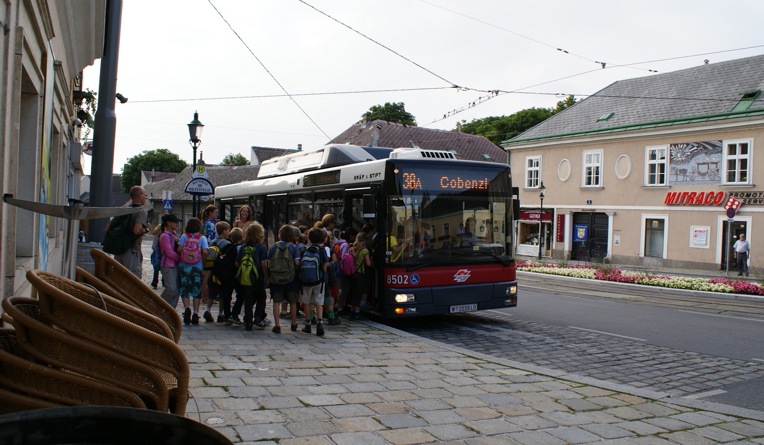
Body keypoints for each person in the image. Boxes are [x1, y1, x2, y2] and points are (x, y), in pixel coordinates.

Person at [233, 222, 268, 331]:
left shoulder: (243, 246)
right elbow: (263, 264)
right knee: (262, 297)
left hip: (246, 278)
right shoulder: (261, 248)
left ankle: (248, 322)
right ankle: (257, 318)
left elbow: (237, 263)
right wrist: (266, 276)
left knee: (248, 300)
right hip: (258, 277)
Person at [267, 224, 301, 334]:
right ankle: (294, 323)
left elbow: (268, 262)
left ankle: (277, 325)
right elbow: (297, 262)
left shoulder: (273, 247)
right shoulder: (293, 247)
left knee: (277, 302)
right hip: (290, 278)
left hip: (276, 278)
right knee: (293, 301)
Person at [113, 186, 151, 278]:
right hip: (132, 250)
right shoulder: (141, 212)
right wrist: (146, 229)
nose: (146, 197)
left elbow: (108, 227)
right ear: (139, 195)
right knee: (133, 281)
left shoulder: (123, 210)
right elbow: (137, 230)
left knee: (119, 279)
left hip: (118, 250)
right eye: (145, 195)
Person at [176, 217, 209, 325]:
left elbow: (179, 249)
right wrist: (202, 262)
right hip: (197, 267)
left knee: (185, 288)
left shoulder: (185, 236)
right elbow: (204, 251)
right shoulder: (202, 238)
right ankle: (195, 312)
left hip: (184, 266)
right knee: (196, 289)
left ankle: (186, 309)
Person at [299, 227, 329, 336]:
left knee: (306, 302)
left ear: (309, 238)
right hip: (319, 280)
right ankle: (320, 322)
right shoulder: (321, 250)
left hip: (305, 281)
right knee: (319, 302)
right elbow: (325, 265)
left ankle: (308, 324)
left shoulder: (304, 251)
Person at [204, 221, 231, 322]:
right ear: (224, 231)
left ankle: (208, 310)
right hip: (222, 273)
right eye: (228, 230)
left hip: (213, 271)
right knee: (222, 295)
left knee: (212, 292)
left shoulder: (212, 242)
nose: (229, 232)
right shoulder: (227, 243)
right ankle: (221, 314)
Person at [157, 214, 181, 308]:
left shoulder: (175, 235)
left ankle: (171, 311)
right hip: (167, 265)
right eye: (175, 222)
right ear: (169, 223)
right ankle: (158, 305)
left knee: (176, 291)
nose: (177, 224)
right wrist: (180, 258)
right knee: (171, 289)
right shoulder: (164, 236)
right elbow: (169, 252)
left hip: (175, 265)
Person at [348, 233, 372, 320]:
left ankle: (351, 311)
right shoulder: (365, 251)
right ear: (364, 241)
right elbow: (368, 263)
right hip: (360, 274)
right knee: (358, 293)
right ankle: (357, 312)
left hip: (351, 273)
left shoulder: (351, 248)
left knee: (353, 292)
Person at [200, 205, 218, 308]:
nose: (216, 214)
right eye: (215, 213)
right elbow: (211, 239)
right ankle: (205, 297)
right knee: (207, 275)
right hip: (209, 249)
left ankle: (206, 296)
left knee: (206, 275)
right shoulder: (210, 224)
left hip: (205, 249)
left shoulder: (205, 222)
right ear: (210, 213)